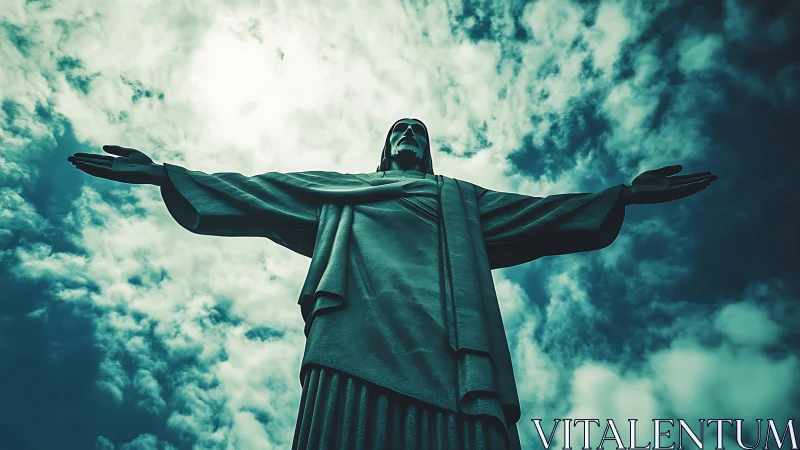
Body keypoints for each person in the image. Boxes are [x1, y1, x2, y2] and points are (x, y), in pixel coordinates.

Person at [68, 118, 717, 450]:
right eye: (398, 131)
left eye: (418, 132)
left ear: (428, 151)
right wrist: (164, 174)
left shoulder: (458, 199)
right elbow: (257, 190)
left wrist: (625, 195)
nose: (408, 137)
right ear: (384, 150)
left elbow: (540, 213)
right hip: (355, 328)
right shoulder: (340, 192)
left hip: (449, 344)